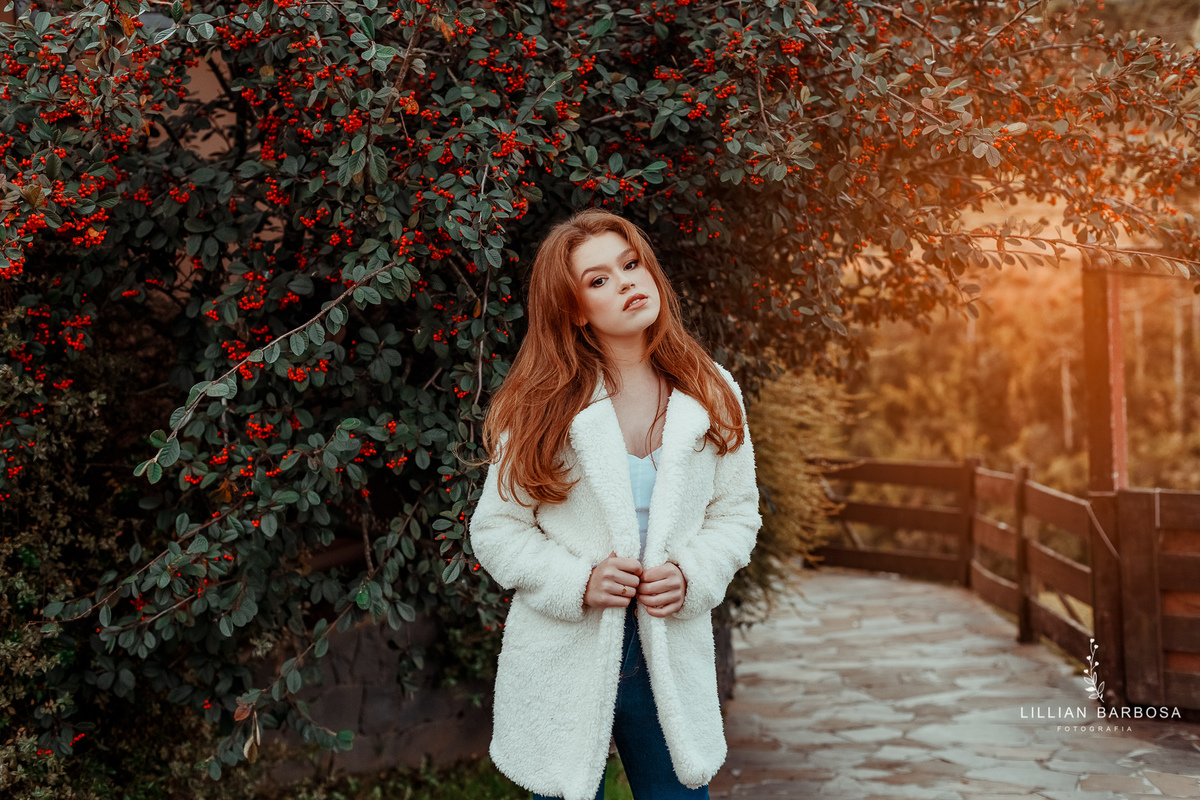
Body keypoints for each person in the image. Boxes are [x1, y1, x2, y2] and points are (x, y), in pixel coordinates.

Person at [466, 208, 762, 800]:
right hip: (566, 652)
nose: (626, 282)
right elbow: (497, 531)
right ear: (574, 309)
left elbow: (737, 515)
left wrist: (691, 574)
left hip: (667, 650)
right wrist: (579, 582)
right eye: (598, 279)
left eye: (631, 265)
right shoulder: (541, 407)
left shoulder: (712, 391)